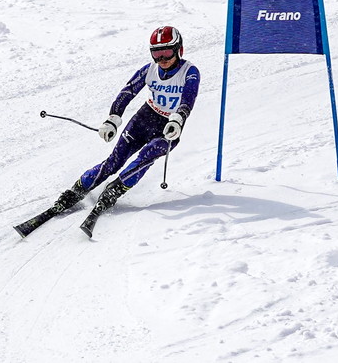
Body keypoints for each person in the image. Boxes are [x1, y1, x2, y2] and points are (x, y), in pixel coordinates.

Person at [17, 25, 201, 238]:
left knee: (147, 155)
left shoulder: (190, 72)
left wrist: (178, 119)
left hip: (169, 128)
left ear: (179, 50)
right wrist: (113, 119)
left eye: (166, 52)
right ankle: (75, 192)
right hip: (144, 119)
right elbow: (128, 91)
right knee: (114, 161)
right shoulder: (149, 70)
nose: (161, 59)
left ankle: (114, 191)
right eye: (156, 53)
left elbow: (189, 98)